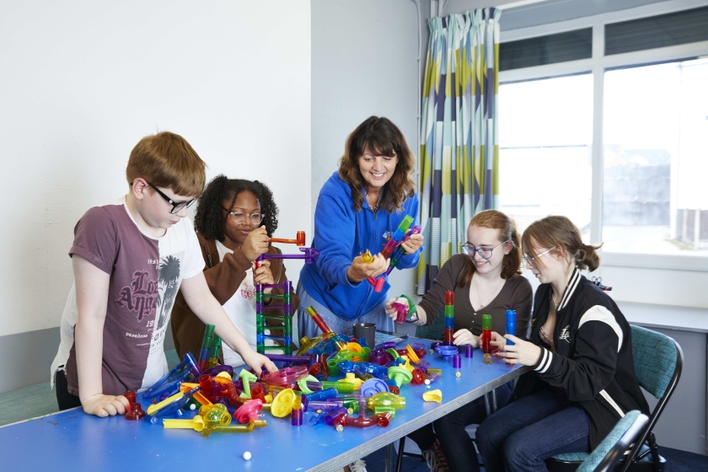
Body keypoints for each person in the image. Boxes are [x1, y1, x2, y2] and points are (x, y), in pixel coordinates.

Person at [50, 132, 277, 418]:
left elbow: (203, 301)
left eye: (188, 204)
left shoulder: (178, 228)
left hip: (148, 379)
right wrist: (93, 395)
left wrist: (247, 352)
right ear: (141, 187)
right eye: (175, 203)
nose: (182, 214)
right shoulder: (103, 224)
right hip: (92, 380)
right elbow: (91, 316)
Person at [475, 215, 650, 472]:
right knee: (488, 432)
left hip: (600, 406)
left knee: (519, 450)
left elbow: (589, 380)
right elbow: (548, 351)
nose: (529, 264)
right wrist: (514, 346)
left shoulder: (594, 308)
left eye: (534, 257)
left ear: (559, 252)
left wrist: (537, 357)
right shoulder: (545, 292)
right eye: (527, 258)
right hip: (561, 392)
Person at [385, 209, 533, 472]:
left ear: (507, 246)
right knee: (397, 396)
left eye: (486, 249)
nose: (477, 257)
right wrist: (407, 310)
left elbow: (516, 349)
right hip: (449, 373)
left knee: (447, 419)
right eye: (471, 247)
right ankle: (435, 448)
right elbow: (428, 311)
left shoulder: (519, 288)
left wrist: (479, 340)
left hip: (493, 384)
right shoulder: (457, 265)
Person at [297, 116, 424, 341]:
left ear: (398, 159)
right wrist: (353, 273)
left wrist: (410, 252)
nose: (378, 167)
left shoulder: (407, 196)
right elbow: (331, 257)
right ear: (356, 159)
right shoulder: (335, 192)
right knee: (325, 373)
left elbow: (402, 261)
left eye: (387, 158)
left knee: (379, 372)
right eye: (369, 158)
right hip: (325, 302)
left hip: (373, 304)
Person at [170, 175, 299, 366]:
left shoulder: (271, 253)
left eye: (255, 215)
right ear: (217, 213)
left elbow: (287, 312)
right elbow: (196, 298)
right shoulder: (198, 246)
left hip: (270, 357)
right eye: (237, 214)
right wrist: (243, 257)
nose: (248, 222)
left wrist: (271, 294)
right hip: (223, 364)